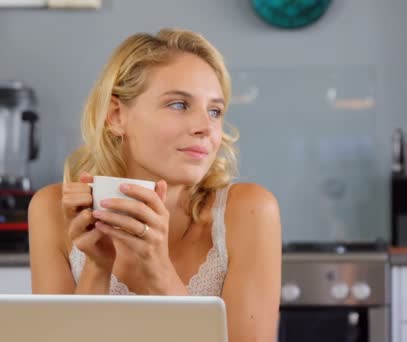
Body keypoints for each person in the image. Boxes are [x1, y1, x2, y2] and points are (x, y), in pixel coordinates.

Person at [27, 28, 282, 341]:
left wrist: (158, 267)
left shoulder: (249, 210)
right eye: (178, 105)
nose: (206, 127)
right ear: (117, 116)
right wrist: (96, 266)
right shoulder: (52, 209)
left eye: (214, 111)